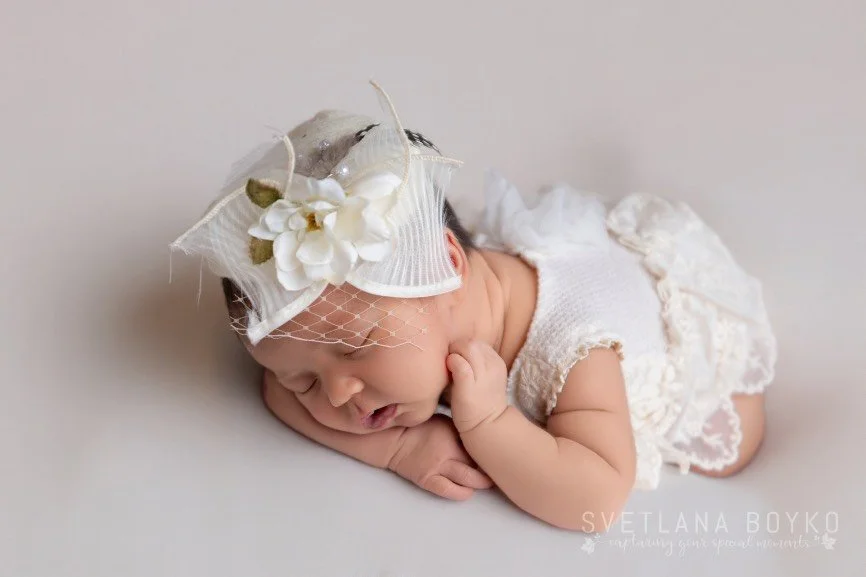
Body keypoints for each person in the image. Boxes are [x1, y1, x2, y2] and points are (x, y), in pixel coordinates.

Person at [171, 82, 776, 532]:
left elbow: (597, 499)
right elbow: (273, 389)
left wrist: (490, 424)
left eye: (353, 349)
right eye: (303, 378)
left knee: (731, 443)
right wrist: (398, 449)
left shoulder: (577, 345)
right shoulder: (392, 330)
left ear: (447, 266)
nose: (333, 397)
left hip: (666, 334)